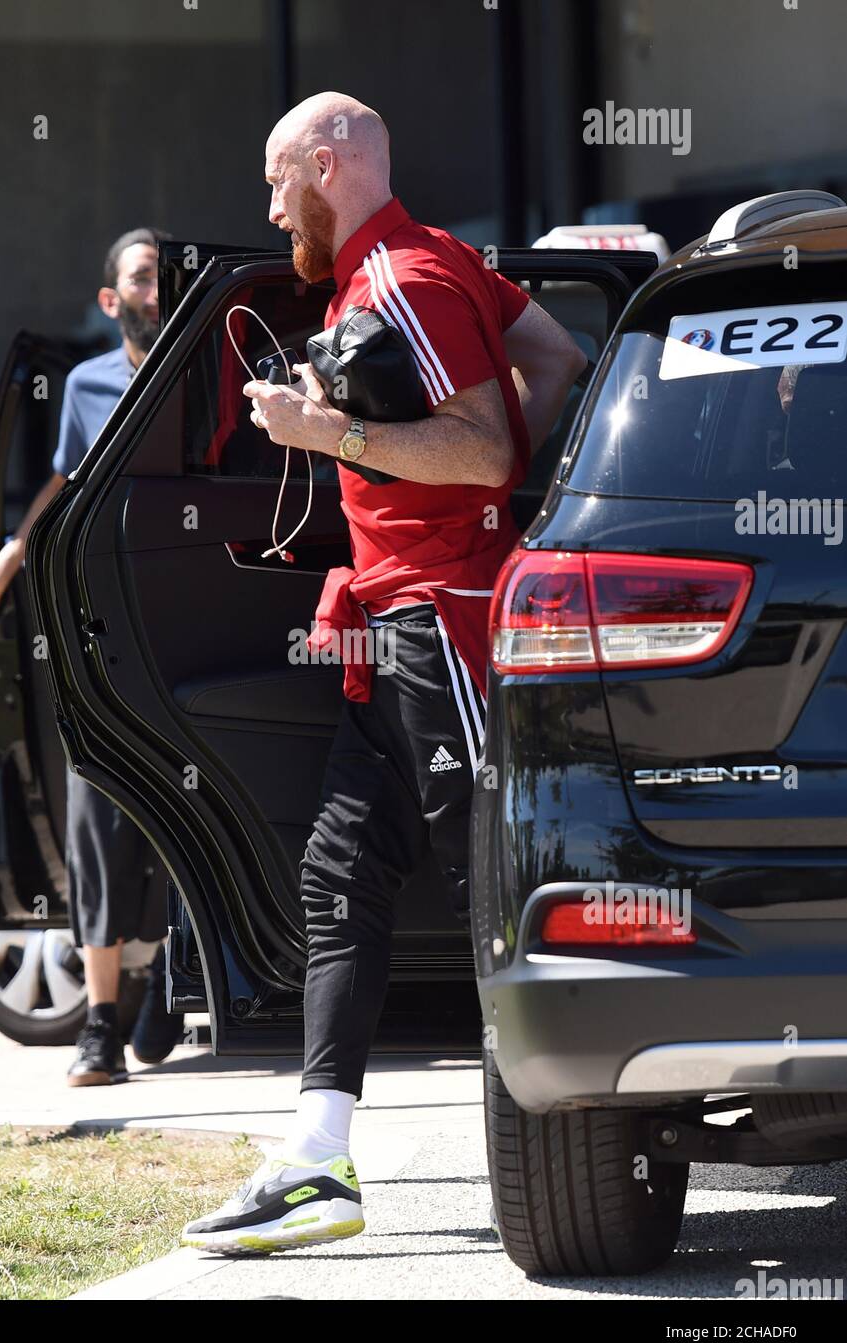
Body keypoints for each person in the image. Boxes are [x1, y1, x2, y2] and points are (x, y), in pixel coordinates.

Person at [181, 93, 586, 1254]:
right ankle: (317, 1160)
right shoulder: (431, 256)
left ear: (326, 161)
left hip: (439, 619)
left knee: (489, 876)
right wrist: (509, 513)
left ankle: (567, 1141)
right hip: (399, 611)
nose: (270, 206)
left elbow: (484, 445)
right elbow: (550, 360)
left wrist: (331, 437)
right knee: (337, 871)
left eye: (276, 180)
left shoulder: (399, 279)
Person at [0, 228, 185, 1085]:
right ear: (110, 300)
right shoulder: (85, 385)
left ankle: (171, 983)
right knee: (95, 819)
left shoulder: (201, 379)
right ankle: (102, 1023)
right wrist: (0, 571)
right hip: (103, 642)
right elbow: (61, 489)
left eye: (164, 276)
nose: (155, 292)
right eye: (141, 279)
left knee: (189, 819)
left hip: (191, 636)